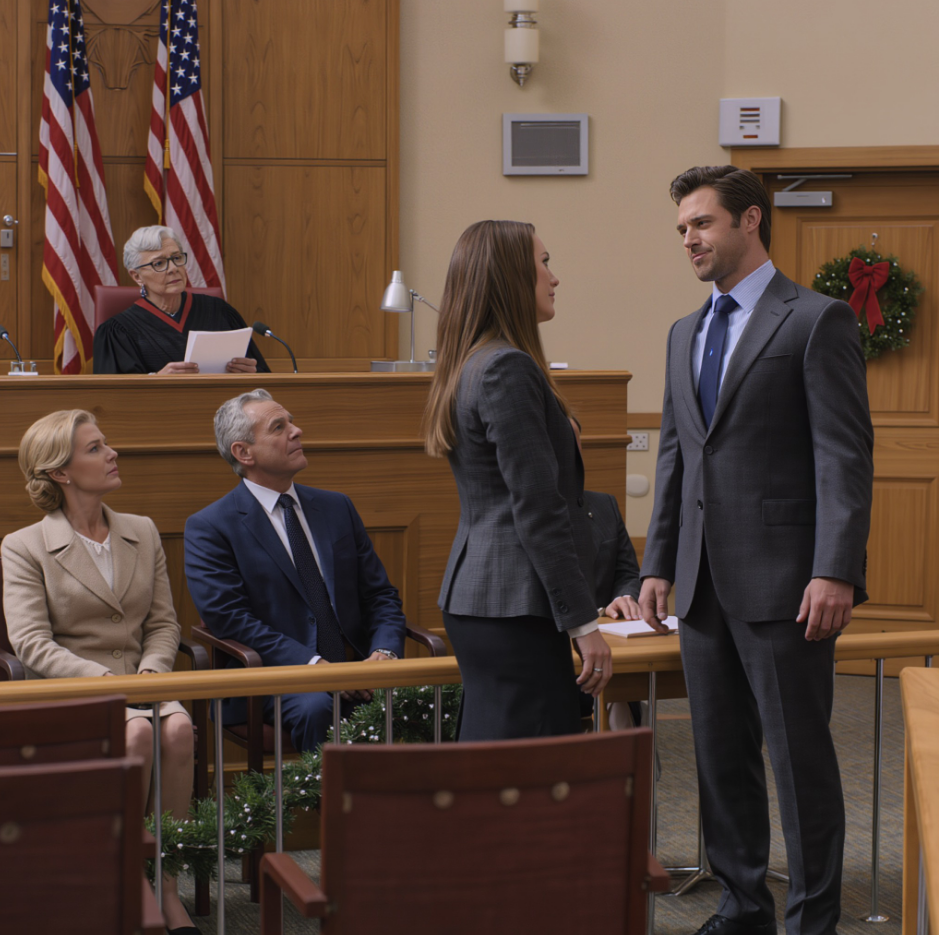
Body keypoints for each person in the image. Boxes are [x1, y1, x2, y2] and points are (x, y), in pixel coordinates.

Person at [639, 166, 874, 935]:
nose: (689, 239)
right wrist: (657, 563)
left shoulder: (815, 319)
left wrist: (834, 568)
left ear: (749, 220)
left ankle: (811, 920)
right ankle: (742, 907)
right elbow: (676, 458)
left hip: (786, 583)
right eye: (681, 228)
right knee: (719, 756)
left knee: (798, 761)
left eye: (701, 223)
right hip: (700, 585)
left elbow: (842, 456)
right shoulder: (682, 332)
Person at [0, 410, 198, 934]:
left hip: (144, 680)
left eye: (106, 443)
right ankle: (125, 880)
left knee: (178, 728)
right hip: (72, 691)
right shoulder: (23, 546)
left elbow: (163, 623)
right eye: (95, 448)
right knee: (136, 732)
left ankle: (167, 886)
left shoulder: (142, 530)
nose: (112, 454)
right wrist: (107, 682)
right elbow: (30, 643)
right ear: (60, 472)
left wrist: (151, 672)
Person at [424, 220, 612, 742]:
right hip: (515, 604)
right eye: (544, 263)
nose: (555, 277)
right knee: (530, 768)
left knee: (499, 762)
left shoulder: (475, 362)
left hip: (489, 599)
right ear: (510, 277)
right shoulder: (506, 367)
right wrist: (584, 624)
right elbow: (538, 508)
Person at [183, 388, 406, 753]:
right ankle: (327, 794)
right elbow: (231, 619)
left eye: (292, 422)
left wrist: (385, 653)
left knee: (426, 694)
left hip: (357, 665)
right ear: (244, 452)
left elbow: (380, 595)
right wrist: (316, 666)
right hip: (274, 676)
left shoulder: (337, 507)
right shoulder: (211, 526)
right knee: (318, 707)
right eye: (279, 427)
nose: (297, 431)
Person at [93, 225, 270, 375]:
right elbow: (111, 395)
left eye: (177, 258)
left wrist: (252, 373)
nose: (173, 268)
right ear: (137, 276)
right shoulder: (118, 332)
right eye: (159, 263)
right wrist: (156, 380)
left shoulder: (219, 312)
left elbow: (262, 377)